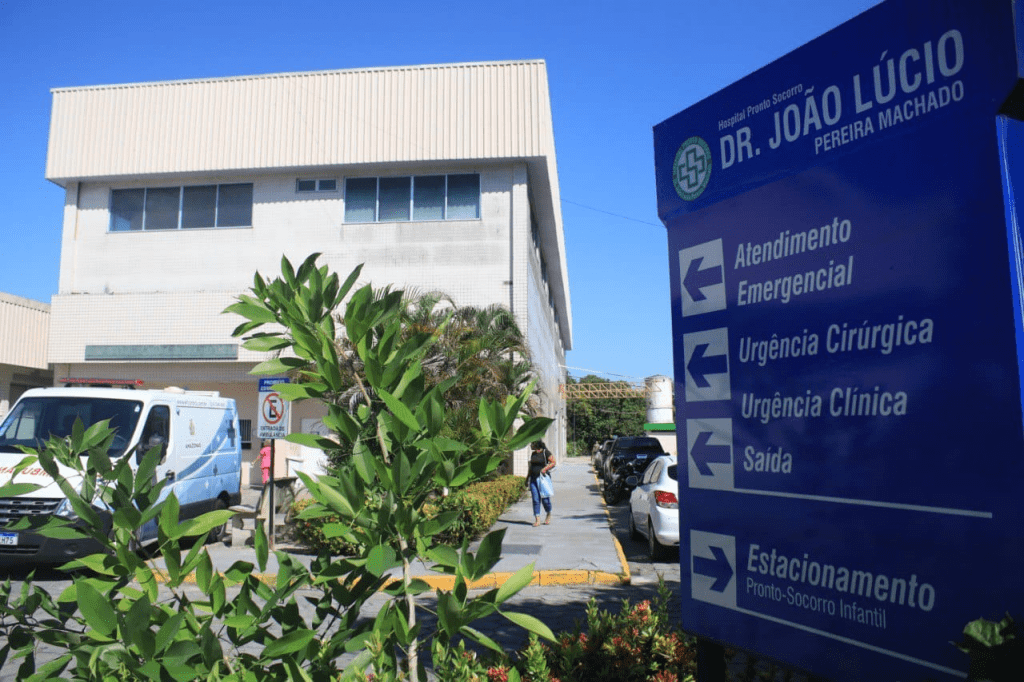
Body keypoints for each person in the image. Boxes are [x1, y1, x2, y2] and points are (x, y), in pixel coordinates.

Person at [527, 440, 556, 527]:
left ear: (537, 445)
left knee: (545, 500)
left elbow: (553, 462)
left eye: (532, 444)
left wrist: (545, 469)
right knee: (535, 499)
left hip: (543, 479)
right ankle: (537, 520)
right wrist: (527, 478)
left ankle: (548, 513)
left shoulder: (545, 452)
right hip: (533, 479)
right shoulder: (533, 454)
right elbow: (531, 467)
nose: (531, 446)